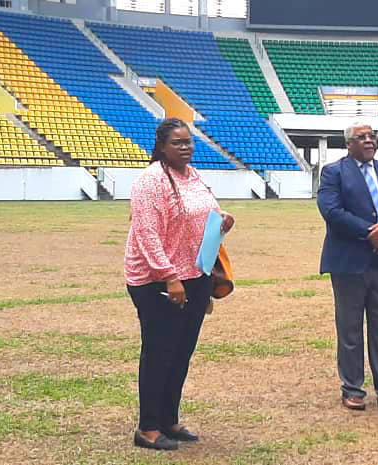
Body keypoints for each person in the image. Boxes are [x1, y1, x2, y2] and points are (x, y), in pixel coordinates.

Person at [125, 118, 234, 450]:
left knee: (181, 352)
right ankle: (147, 428)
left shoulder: (193, 175)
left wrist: (222, 222)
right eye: (178, 143)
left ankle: (169, 420)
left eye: (189, 142)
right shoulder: (150, 181)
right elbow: (147, 233)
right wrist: (170, 276)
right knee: (159, 352)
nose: (186, 148)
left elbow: (203, 214)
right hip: (158, 281)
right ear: (161, 146)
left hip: (195, 275)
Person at [317, 122, 378, 411]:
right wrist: (372, 234)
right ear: (348, 144)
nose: (369, 141)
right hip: (348, 264)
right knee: (350, 329)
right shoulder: (333, 173)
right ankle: (353, 389)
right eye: (362, 138)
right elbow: (332, 212)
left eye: (372, 136)